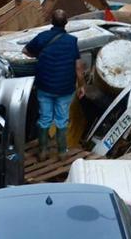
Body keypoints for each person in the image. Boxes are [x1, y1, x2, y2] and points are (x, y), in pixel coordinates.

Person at [22, 9, 84, 159]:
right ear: (66, 23)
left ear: (51, 22)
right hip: (65, 88)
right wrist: (82, 86)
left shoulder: (42, 37)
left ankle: (43, 151)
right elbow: (78, 68)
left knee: (45, 118)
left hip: (45, 87)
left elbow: (25, 50)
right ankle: (62, 152)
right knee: (62, 119)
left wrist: (40, 55)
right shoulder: (72, 41)